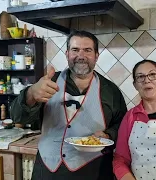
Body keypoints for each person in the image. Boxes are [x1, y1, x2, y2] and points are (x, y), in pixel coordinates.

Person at [10, 30, 127, 180]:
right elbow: (17, 117)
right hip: (47, 171)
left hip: (94, 170)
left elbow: (123, 127)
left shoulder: (111, 91)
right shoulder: (48, 83)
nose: (81, 56)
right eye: (75, 50)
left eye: (88, 50)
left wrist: (108, 135)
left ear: (96, 56)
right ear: (67, 54)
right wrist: (31, 94)